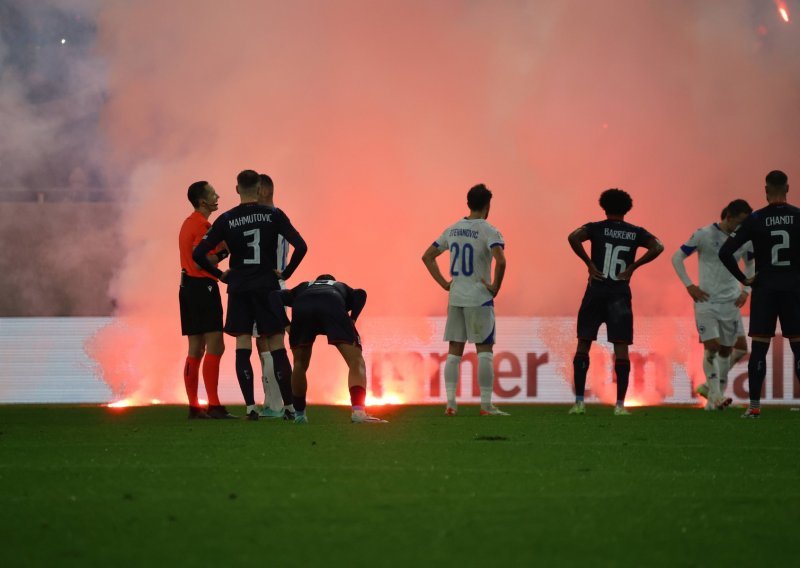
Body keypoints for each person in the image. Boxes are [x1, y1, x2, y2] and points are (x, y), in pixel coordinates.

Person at [193, 169, 307, 420]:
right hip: (268, 288)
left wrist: (219, 274)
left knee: (242, 345)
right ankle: (288, 407)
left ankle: (250, 408)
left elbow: (198, 254)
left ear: (237, 190)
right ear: (258, 189)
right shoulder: (273, 215)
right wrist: (285, 273)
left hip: (240, 288)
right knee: (277, 344)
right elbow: (302, 246)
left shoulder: (226, 219)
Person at [567, 188, 664, 415]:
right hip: (619, 295)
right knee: (621, 347)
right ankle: (620, 405)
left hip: (595, 291)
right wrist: (633, 267)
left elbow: (572, 237)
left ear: (604, 206)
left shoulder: (595, 228)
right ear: (627, 208)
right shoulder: (635, 232)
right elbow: (658, 246)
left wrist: (589, 264)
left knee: (584, 342)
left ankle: (579, 403)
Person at [719, 170, 800, 418]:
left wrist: (744, 279)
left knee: (760, 348)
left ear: (765, 191)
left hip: (765, 289)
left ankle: (754, 407)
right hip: (794, 288)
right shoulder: (798, 216)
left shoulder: (756, 219)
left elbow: (725, 252)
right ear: (788, 188)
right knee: (798, 347)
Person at [421, 183, 507, 416]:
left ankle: (450, 404)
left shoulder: (453, 229)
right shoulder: (490, 230)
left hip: (456, 296)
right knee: (485, 350)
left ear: (468, 203)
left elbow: (427, 256)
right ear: (487, 205)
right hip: (479, 298)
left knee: (454, 351)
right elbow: (500, 260)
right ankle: (486, 406)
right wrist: (495, 287)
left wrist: (443, 283)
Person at [268, 275, 386, 424]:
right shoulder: (339, 285)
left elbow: (273, 296)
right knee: (356, 361)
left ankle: (299, 415)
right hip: (332, 304)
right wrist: (352, 318)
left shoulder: (303, 286)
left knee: (299, 365)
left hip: (302, 307)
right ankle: (358, 412)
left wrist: (285, 324)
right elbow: (360, 293)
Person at [671, 200, 753, 410]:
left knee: (727, 350)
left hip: (731, 302)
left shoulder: (745, 239)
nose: (743, 227)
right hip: (706, 301)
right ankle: (716, 396)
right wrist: (689, 286)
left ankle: (711, 392)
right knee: (712, 346)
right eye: (741, 222)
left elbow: (751, 263)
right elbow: (677, 257)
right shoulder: (704, 234)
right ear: (729, 216)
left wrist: (746, 290)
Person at [178, 180, 235, 419]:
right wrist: (226, 252)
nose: (217, 196)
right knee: (215, 345)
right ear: (203, 201)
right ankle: (214, 404)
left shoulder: (187, 223)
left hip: (187, 287)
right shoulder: (202, 225)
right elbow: (205, 259)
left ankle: (194, 405)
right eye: (213, 194)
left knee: (195, 348)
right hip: (203, 287)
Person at [254, 173, 292, 419]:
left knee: (268, 342)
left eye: (254, 192)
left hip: (265, 287)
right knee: (269, 341)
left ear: (263, 192)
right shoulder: (281, 218)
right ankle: (275, 401)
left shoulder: (268, 220)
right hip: (278, 286)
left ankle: (275, 404)